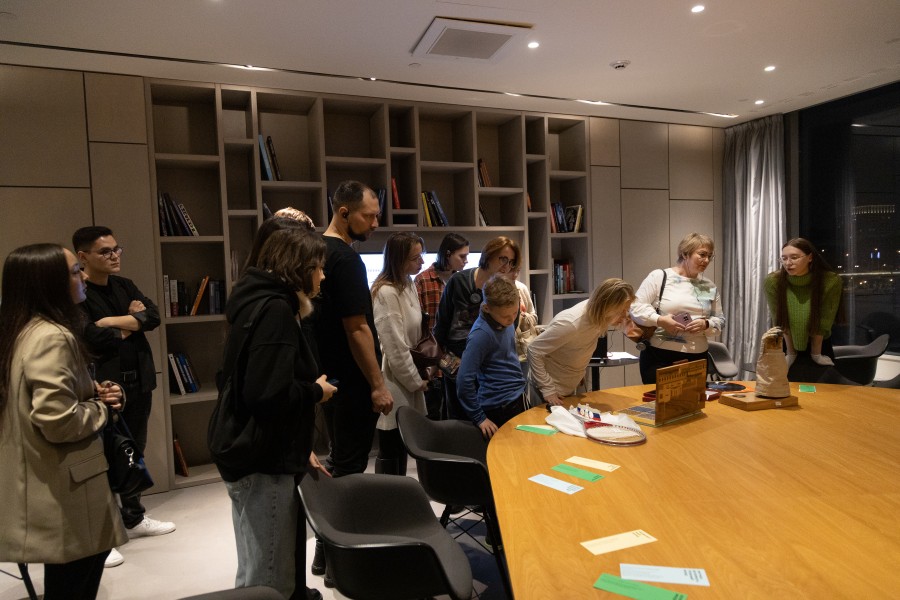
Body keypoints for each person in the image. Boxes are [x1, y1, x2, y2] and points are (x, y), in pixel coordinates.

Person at [0, 243, 127, 600]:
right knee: (75, 582)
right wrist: (103, 408)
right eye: (74, 272)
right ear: (48, 283)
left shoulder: (19, 331)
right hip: (66, 487)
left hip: (42, 481)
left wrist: (91, 390)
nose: (83, 277)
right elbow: (58, 420)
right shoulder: (52, 337)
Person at [217, 228, 336, 600]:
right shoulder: (277, 310)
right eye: (318, 267)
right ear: (299, 268)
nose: (322, 276)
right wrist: (316, 391)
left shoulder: (255, 300)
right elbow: (266, 394)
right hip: (263, 458)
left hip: (255, 449)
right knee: (269, 580)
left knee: (258, 567)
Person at [72, 226, 174, 567]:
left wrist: (110, 322)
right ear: (83, 256)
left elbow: (153, 316)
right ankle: (105, 534)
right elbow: (90, 336)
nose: (114, 255)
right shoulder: (79, 292)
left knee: (134, 452)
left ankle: (134, 517)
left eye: (117, 249)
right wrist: (132, 320)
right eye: (105, 251)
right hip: (104, 387)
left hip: (139, 382)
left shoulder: (124, 285)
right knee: (102, 458)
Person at [311, 180, 393, 582]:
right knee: (349, 467)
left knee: (340, 459)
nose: (376, 223)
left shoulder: (315, 249)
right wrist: (377, 384)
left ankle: (325, 553)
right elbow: (357, 327)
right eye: (369, 216)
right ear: (343, 213)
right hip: (351, 381)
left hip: (328, 377)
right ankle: (337, 557)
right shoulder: (345, 258)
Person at [433, 236, 520, 419]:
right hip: (456, 365)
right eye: (503, 259)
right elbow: (441, 326)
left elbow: (510, 325)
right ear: (488, 256)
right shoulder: (459, 281)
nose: (506, 266)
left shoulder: (506, 290)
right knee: (460, 421)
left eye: (511, 262)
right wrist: (438, 363)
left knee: (484, 424)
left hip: (488, 372)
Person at [630, 233, 726, 384]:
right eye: (702, 255)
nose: (706, 260)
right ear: (685, 254)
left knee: (693, 399)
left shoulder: (709, 286)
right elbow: (635, 307)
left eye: (710, 256)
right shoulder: (660, 277)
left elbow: (720, 320)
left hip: (697, 357)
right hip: (660, 356)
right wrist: (660, 320)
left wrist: (706, 324)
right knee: (657, 398)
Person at [371, 232, 429, 475]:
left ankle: (400, 495)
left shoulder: (408, 283)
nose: (422, 262)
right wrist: (416, 381)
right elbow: (394, 346)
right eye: (416, 258)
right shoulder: (386, 292)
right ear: (399, 260)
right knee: (392, 449)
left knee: (404, 446)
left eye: (421, 256)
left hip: (410, 373)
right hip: (395, 379)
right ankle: (390, 497)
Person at [528, 278, 635, 405]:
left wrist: (579, 373)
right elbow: (534, 350)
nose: (625, 315)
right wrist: (547, 389)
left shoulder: (598, 315)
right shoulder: (571, 323)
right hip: (549, 392)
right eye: (621, 310)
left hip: (567, 386)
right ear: (608, 306)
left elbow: (579, 345)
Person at [456, 275, 527, 440]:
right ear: (487, 308)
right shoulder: (480, 335)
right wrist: (479, 418)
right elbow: (463, 381)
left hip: (517, 396)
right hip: (499, 407)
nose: (511, 319)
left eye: (514, 312)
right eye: (505, 316)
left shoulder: (505, 319)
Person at [764, 237, 841, 379]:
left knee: (822, 388)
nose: (788, 263)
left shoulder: (830, 281)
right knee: (788, 388)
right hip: (788, 343)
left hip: (820, 345)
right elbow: (780, 319)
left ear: (810, 257)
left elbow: (824, 321)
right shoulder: (773, 281)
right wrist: (791, 353)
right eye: (784, 258)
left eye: (794, 258)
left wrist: (816, 354)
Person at [414, 232, 469, 419]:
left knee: (457, 416)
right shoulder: (422, 280)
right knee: (433, 414)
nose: (466, 261)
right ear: (448, 254)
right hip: (433, 360)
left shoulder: (463, 282)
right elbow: (418, 326)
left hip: (458, 360)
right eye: (462, 256)